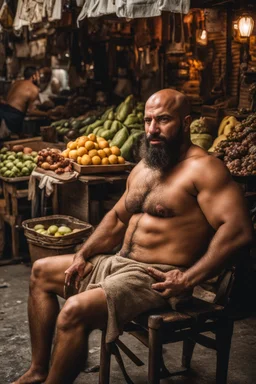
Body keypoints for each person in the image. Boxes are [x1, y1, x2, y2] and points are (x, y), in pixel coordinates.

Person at [12, 89, 253, 384]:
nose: (152, 129)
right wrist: (83, 254)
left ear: (186, 122)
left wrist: (188, 279)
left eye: (163, 120)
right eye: (148, 120)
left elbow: (238, 230)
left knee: (73, 311)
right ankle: (38, 370)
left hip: (156, 277)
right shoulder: (145, 166)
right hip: (118, 263)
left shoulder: (204, 169)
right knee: (40, 273)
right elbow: (116, 218)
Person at [0, 66, 48, 137]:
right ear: (33, 76)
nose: (39, 78)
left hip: (3, 111)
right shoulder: (33, 88)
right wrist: (47, 114)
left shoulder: (15, 83)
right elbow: (31, 111)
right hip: (12, 118)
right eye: (38, 76)